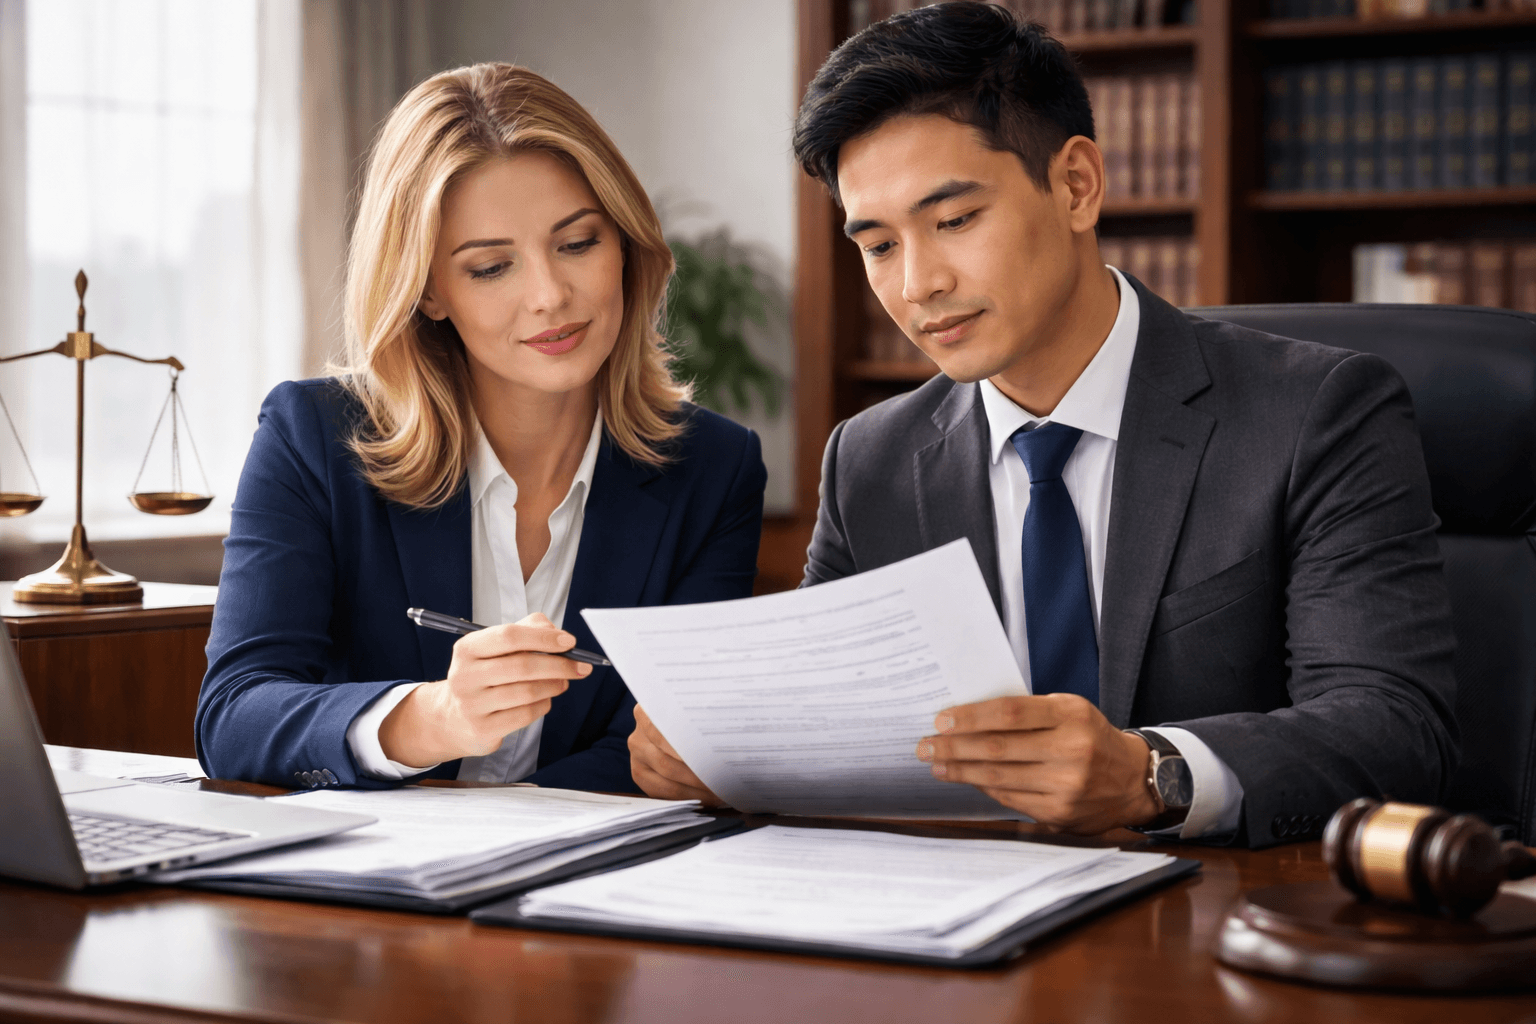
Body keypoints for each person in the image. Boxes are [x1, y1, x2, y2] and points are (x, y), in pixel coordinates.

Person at [627, 3, 1458, 846]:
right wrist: (717, 758)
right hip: (963, 928)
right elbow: (814, 720)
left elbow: (1395, 726)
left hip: (1216, 923)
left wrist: (1151, 774)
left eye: (953, 221)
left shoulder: (1315, 413)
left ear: (1076, 185)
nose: (917, 285)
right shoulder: (870, 459)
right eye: (878, 245)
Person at [197, 63, 766, 792]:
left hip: (589, 883)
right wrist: (431, 718)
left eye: (578, 243)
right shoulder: (312, 437)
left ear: (625, 244)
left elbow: (659, 742)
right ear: (429, 290)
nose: (550, 296)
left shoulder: (714, 468)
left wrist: (515, 835)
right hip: (365, 882)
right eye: (492, 267)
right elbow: (233, 716)